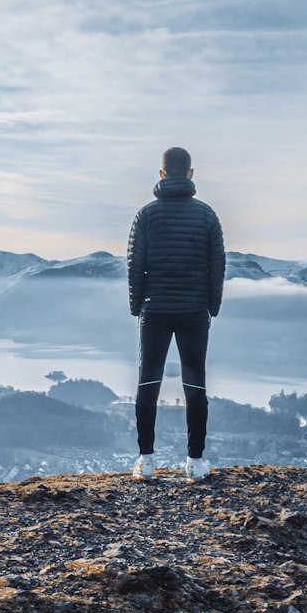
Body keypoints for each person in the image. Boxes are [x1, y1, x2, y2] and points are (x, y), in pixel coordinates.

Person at [127, 146, 225, 481]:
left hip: (155, 310)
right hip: (194, 311)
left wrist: (137, 304)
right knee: (195, 383)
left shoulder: (146, 215)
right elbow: (217, 267)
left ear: (161, 174)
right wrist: (212, 305)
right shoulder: (207, 215)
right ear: (191, 174)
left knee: (149, 381)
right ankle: (195, 463)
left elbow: (135, 264)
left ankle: (147, 461)